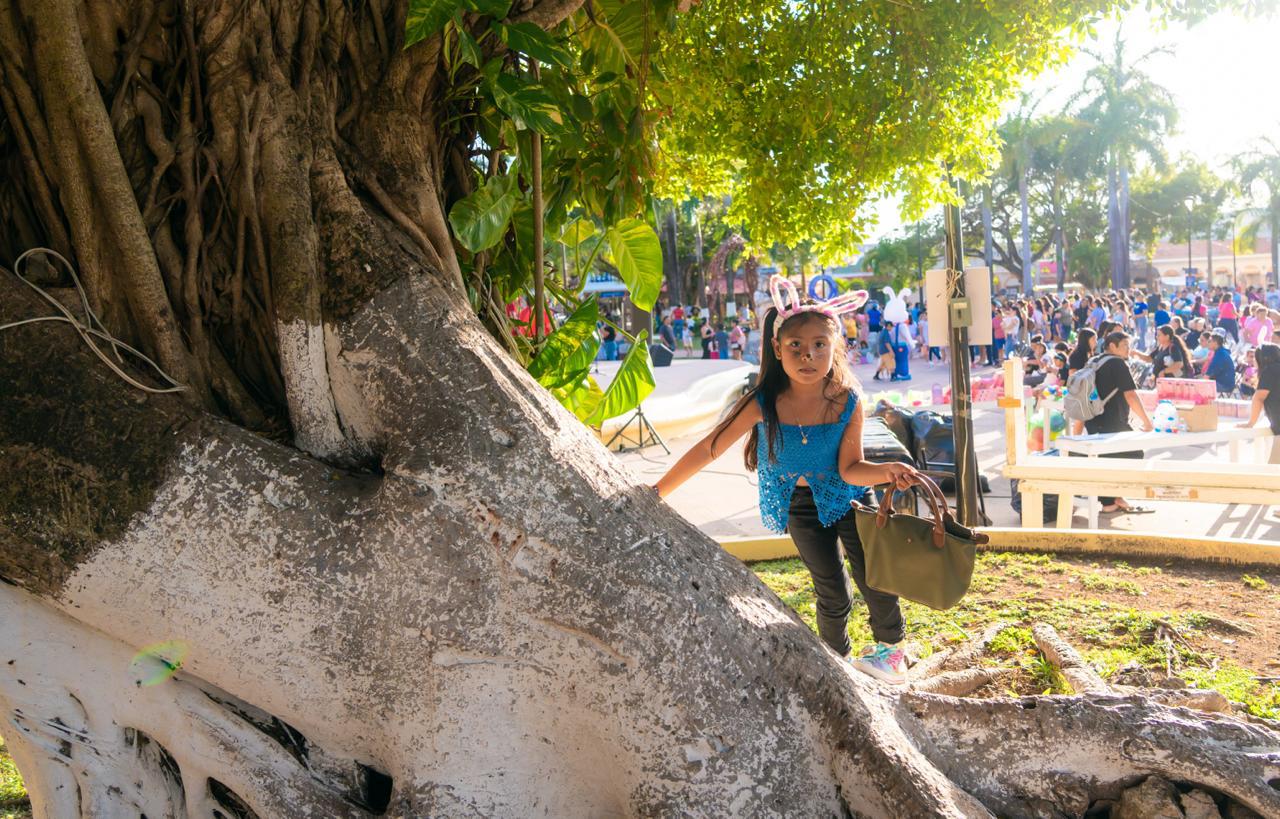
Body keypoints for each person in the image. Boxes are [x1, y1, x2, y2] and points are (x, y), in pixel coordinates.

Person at [652, 279, 921, 683]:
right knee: (831, 589)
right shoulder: (763, 402)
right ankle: (837, 659)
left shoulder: (846, 399)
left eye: (819, 345)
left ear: (834, 347)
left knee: (874, 576)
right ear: (777, 349)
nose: (807, 355)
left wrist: (887, 472)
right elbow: (710, 447)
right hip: (800, 508)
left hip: (852, 499)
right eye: (796, 345)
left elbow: (850, 468)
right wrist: (659, 490)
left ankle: (892, 651)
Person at [1081, 331, 1155, 514]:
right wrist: (1147, 421)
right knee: (1134, 454)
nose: (1128, 349)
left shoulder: (1093, 361)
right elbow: (1130, 395)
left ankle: (1110, 502)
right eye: (1125, 345)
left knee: (1105, 459)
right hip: (1113, 420)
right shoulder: (1117, 363)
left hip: (1092, 419)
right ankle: (1114, 496)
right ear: (1112, 346)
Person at [1241, 343, 1280, 464]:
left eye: (1255, 357)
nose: (1254, 360)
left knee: (1273, 468)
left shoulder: (1270, 371)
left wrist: (1251, 423)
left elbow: (1259, 398)